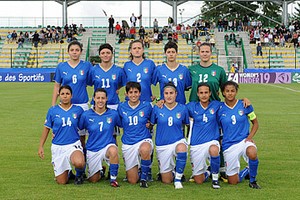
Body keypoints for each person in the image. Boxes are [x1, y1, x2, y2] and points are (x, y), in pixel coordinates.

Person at [38, 85, 85, 185]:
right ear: (59, 95)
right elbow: (46, 128)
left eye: (67, 94)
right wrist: (41, 146)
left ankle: (79, 175)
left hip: (73, 144)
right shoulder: (53, 110)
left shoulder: (78, 110)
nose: (65, 96)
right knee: (62, 182)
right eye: (62, 94)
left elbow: (85, 125)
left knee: (79, 162)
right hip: (58, 146)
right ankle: (68, 173)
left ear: (71, 96)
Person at [52, 41, 93, 154]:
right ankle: (68, 164)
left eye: (77, 50)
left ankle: (82, 165)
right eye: (72, 50)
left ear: (81, 52)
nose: (74, 52)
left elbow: (92, 82)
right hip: (65, 106)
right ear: (68, 52)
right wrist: (53, 104)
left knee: (82, 136)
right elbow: (57, 86)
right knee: (66, 134)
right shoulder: (61, 66)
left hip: (82, 104)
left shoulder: (86, 66)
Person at [218, 81, 261, 189]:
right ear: (223, 93)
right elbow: (217, 128)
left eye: (232, 91)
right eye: (227, 91)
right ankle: (247, 170)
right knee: (233, 181)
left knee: (252, 152)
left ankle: (253, 181)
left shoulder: (244, 105)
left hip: (243, 141)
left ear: (236, 92)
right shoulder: (219, 109)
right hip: (229, 145)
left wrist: (249, 138)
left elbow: (255, 123)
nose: (230, 93)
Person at [150, 82, 189, 189]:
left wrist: (186, 139)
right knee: (166, 180)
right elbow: (151, 125)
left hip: (177, 140)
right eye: (166, 93)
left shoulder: (182, 108)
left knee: (182, 148)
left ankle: (178, 179)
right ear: (163, 94)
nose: (169, 96)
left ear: (176, 94)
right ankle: (172, 171)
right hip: (162, 144)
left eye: (171, 93)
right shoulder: (157, 108)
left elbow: (187, 124)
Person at [78, 88, 121, 187]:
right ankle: (101, 171)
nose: (100, 100)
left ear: (106, 99)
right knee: (93, 180)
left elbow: (124, 125)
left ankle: (113, 179)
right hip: (93, 149)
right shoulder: (86, 115)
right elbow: (78, 128)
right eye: (98, 98)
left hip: (107, 146)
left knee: (113, 150)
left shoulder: (113, 114)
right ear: (94, 99)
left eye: (103, 98)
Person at [117, 82, 153, 188]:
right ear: (126, 94)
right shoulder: (121, 107)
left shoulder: (147, 106)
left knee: (145, 149)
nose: (133, 95)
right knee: (132, 180)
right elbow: (119, 122)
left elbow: (153, 120)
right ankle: (140, 169)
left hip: (143, 139)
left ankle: (144, 178)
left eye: (136, 92)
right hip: (128, 142)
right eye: (131, 92)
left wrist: (150, 124)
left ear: (140, 93)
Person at [187, 83, 221, 189]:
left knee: (214, 150)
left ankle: (215, 179)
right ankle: (209, 171)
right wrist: (162, 101)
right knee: (199, 180)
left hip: (212, 141)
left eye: (206, 92)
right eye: (201, 93)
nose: (204, 95)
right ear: (197, 94)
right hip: (196, 144)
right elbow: (175, 107)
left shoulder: (216, 105)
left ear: (210, 93)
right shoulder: (191, 106)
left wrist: (244, 99)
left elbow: (232, 104)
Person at [90, 43, 126, 136]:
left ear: (112, 54)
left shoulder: (118, 70)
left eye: (108, 52)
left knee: (113, 136)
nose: (105, 55)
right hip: (97, 105)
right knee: (95, 133)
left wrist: (117, 88)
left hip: (113, 104)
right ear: (99, 55)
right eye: (103, 53)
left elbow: (123, 83)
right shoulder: (93, 70)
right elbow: (88, 82)